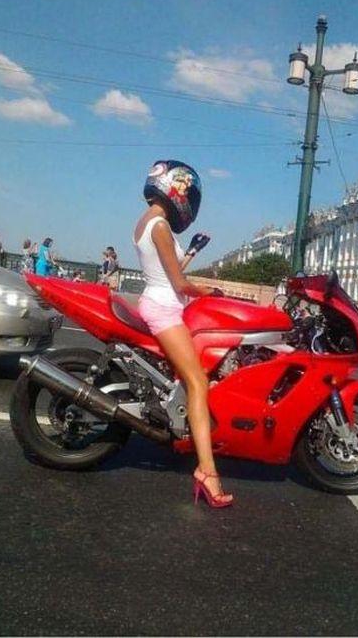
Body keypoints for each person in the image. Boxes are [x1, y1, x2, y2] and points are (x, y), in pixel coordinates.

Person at [134, 159, 231, 508]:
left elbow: (168, 271)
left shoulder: (149, 221)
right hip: (164, 308)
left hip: (163, 303)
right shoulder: (160, 225)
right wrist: (212, 292)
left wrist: (191, 251)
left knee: (196, 376)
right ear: (177, 188)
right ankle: (207, 471)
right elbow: (178, 283)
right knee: (198, 383)